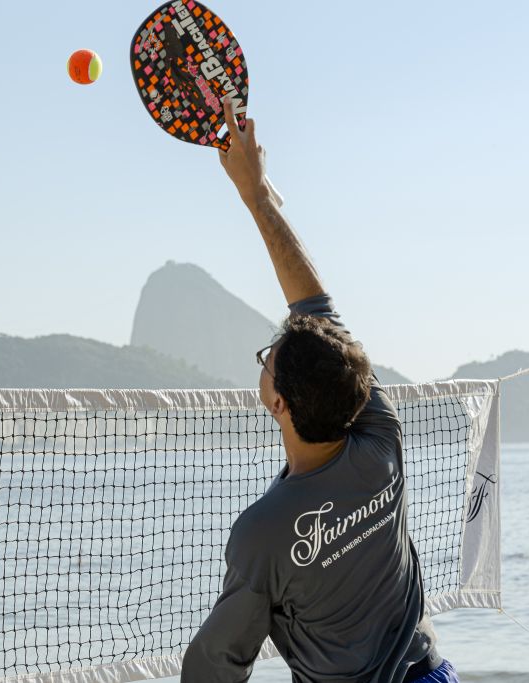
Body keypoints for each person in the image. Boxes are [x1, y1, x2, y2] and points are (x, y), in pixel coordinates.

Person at [179, 98, 458, 683]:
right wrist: (256, 196)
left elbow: (214, 668)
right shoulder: (381, 439)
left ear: (279, 404)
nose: (265, 361)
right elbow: (315, 307)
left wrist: (252, 195)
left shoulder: (263, 533)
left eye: (267, 361)